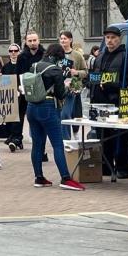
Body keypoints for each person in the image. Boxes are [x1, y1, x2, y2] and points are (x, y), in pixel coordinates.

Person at [24, 44, 84, 190]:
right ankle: (65, 178)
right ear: (58, 57)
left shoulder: (35, 65)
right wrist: (68, 86)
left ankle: (39, 177)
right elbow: (60, 94)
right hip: (48, 107)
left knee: (37, 145)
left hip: (31, 107)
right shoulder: (55, 70)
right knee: (57, 144)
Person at [90, 25, 128, 178]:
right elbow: (94, 76)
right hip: (100, 104)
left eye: (113, 38)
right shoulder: (99, 57)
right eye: (107, 38)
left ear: (119, 39)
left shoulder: (125, 57)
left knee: (122, 136)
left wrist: (110, 84)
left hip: (118, 102)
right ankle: (106, 165)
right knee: (103, 136)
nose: (110, 41)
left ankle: (122, 167)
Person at [16, 31, 46, 148]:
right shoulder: (21, 56)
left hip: (40, 89)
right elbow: (18, 72)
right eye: (30, 41)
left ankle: (39, 141)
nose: (32, 43)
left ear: (38, 41)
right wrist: (19, 86)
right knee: (22, 113)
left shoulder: (44, 55)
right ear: (26, 42)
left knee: (39, 115)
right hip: (25, 89)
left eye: (34, 40)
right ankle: (18, 137)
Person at [58, 31, 87, 139]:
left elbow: (85, 72)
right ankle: (66, 139)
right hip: (60, 86)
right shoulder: (57, 54)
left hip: (74, 86)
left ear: (70, 40)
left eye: (65, 38)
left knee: (75, 113)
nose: (63, 41)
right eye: (61, 39)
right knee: (64, 114)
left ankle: (75, 132)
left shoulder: (77, 55)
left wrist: (76, 73)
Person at [2, 43, 24, 151]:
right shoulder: (5, 67)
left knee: (19, 118)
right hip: (9, 97)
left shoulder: (23, 65)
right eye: (11, 51)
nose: (13, 53)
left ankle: (16, 139)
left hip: (22, 97)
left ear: (19, 52)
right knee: (9, 118)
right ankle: (14, 137)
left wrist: (20, 88)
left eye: (15, 51)